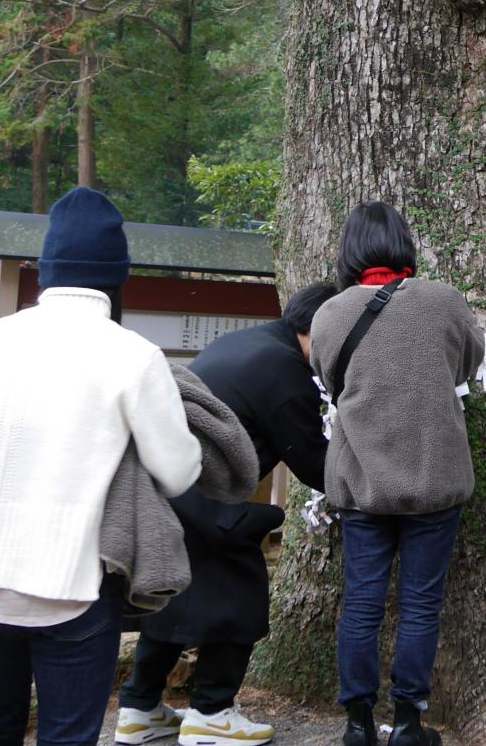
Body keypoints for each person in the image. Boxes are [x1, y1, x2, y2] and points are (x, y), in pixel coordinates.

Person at [0, 187, 203, 746]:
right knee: (66, 736)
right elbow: (179, 472)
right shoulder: (132, 353)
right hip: (69, 584)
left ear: (46, 267)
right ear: (116, 275)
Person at [116, 281, 340, 746]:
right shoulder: (284, 372)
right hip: (207, 498)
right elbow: (315, 465)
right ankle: (212, 714)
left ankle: (139, 710)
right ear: (323, 330)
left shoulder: (248, 341)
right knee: (241, 596)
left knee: (175, 598)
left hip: (171, 486)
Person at [310, 202, 486, 746]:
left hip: (361, 482)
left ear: (350, 252)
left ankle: (357, 725)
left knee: (361, 601)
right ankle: (408, 724)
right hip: (435, 477)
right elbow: (468, 365)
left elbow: (327, 378)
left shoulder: (330, 314)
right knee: (421, 604)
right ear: (404, 244)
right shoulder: (444, 302)